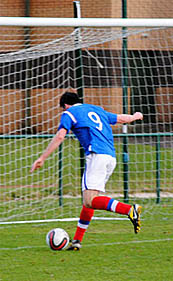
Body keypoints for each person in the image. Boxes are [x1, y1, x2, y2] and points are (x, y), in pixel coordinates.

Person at [30, 91, 144, 251]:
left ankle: (129, 210)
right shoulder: (96, 109)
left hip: (96, 156)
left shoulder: (69, 113)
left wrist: (42, 157)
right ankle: (77, 241)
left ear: (65, 105)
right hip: (111, 157)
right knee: (90, 199)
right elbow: (121, 119)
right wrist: (135, 116)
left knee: (90, 200)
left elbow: (60, 136)